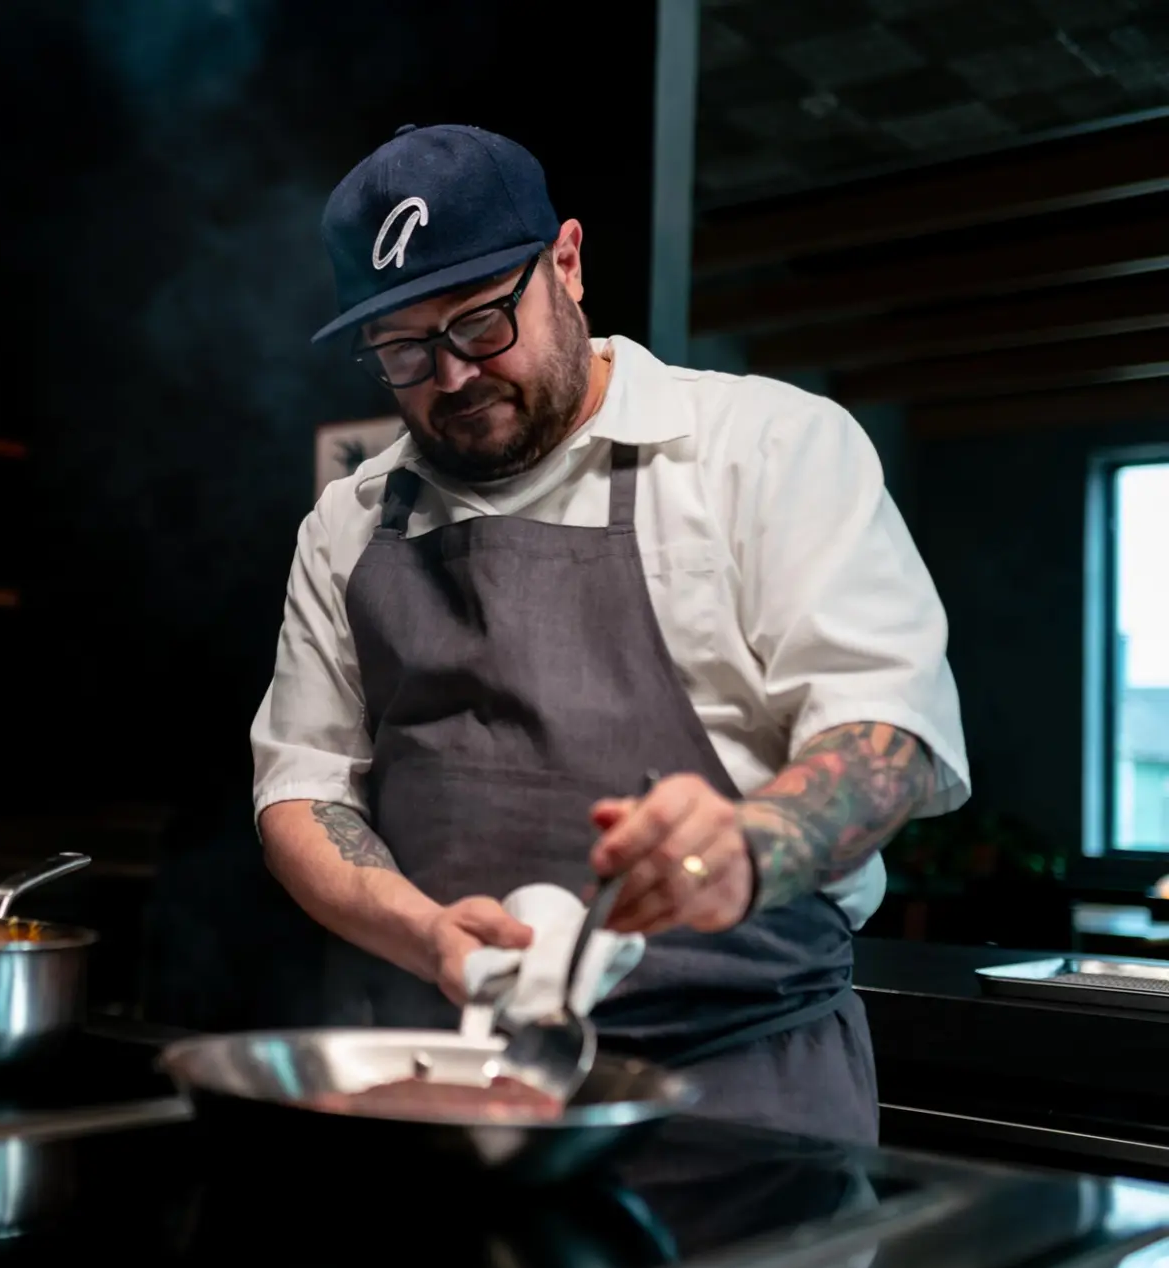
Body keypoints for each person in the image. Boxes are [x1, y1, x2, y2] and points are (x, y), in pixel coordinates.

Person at [250, 124, 970, 1143]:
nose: (451, 377)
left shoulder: (765, 451)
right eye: (404, 350)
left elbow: (889, 738)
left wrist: (750, 845)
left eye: (480, 323)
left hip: (742, 1103)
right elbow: (302, 793)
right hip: (444, 1095)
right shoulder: (351, 522)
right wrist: (427, 938)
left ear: (569, 265)